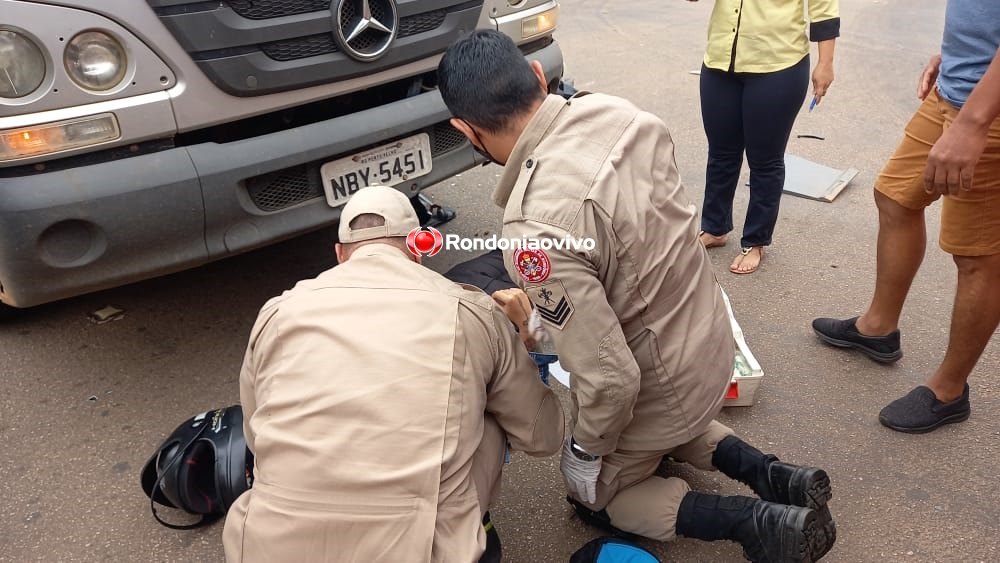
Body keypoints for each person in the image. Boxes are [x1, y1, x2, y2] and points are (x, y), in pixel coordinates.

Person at [438, 30, 837, 562]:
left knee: (598, 498)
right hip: (710, 345)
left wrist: (585, 450)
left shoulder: (535, 227)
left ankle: (758, 523)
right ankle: (774, 475)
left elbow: (612, 379)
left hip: (658, 384)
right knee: (667, 425)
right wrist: (545, 321)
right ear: (538, 76)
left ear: (464, 129)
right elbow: (629, 262)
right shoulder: (622, 115)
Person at [222, 185, 565, 562]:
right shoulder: (470, 311)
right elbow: (542, 436)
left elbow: (256, 434)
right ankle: (470, 527)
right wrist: (526, 347)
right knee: (492, 410)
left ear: (339, 255)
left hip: (267, 546)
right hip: (419, 549)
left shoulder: (277, 312)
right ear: (417, 250)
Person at [812, 1, 1000, 434]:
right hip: (957, 87)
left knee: (978, 256)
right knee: (895, 197)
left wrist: (973, 122)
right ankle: (878, 328)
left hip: (987, 114)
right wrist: (954, 58)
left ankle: (949, 391)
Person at [691, 0, 840, 274]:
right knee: (721, 152)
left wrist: (825, 64)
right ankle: (714, 227)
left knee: (765, 160)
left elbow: (824, 8)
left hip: (778, 65)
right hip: (720, 60)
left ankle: (756, 240)